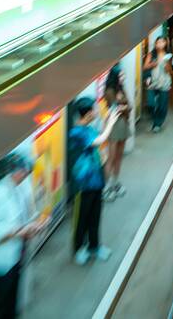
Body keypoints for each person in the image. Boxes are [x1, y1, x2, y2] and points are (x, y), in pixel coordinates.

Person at [0, 154, 40, 318]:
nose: (26, 175)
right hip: (1, 264)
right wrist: (16, 231)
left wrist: (32, 227)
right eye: (24, 172)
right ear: (14, 172)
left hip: (15, 258)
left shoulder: (16, 190)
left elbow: (19, 221)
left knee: (11, 306)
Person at [68, 97, 116, 265]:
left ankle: (94, 246)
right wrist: (111, 124)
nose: (96, 112)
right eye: (94, 110)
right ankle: (78, 249)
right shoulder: (76, 133)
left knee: (95, 216)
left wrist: (108, 120)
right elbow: (100, 140)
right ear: (87, 113)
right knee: (82, 218)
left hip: (96, 181)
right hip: (83, 184)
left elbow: (100, 137)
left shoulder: (88, 128)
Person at [103, 86, 131, 201]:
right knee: (111, 157)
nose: (122, 76)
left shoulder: (122, 88)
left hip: (123, 124)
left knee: (119, 157)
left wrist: (123, 106)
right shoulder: (109, 91)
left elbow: (129, 106)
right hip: (113, 126)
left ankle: (115, 182)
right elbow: (114, 108)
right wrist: (122, 105)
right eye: (120, 74)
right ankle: (106, 187)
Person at [144, 35, 173, 132]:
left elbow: (169, 71)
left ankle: (157, 124)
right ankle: (155, 117)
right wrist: (153, 64)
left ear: (165, 43)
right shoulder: (151, 54)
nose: (160, 44)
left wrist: (167, 63)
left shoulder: (168, 55)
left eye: (162, 42)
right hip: (152, 81)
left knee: (162, 105)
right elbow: (145, 67)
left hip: (164, 81)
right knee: (151, 103)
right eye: (158, 42)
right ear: (155, 44)